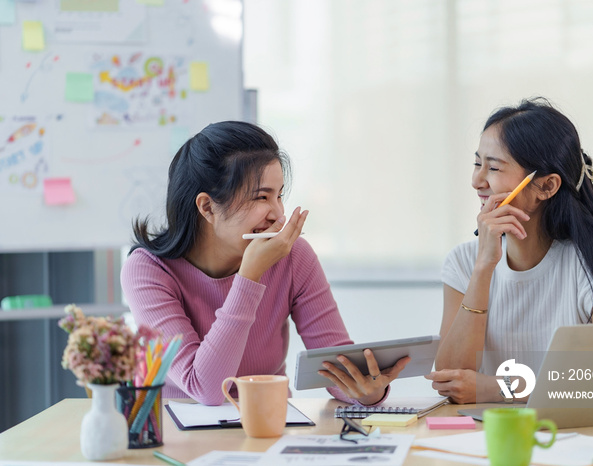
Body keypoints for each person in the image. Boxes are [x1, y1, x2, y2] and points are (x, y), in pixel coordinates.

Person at [121, 121, 409, 406]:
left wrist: (367, 391)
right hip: (179, 433)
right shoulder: (147, 270)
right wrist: (249, 276)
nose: (278, 214)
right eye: (261, 197)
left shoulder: (294, 256)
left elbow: (335, 367)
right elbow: (205, 388)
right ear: (207, 207)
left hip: (268, 426)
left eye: (279, 195)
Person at [426, 98, 593, 404]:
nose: (476, 180)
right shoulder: (464, 262)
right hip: (481, 439)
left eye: (493, 167)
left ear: (546, 187)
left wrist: (496, 387)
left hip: (570, 438)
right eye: (477, 163)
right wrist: (483, 268)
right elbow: (451, 377)